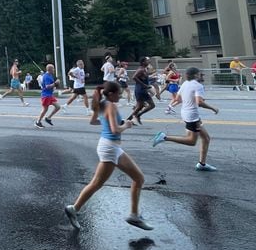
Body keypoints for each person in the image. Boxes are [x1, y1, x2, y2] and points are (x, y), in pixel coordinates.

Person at [64, 82, 153, 231]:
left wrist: (112, 122)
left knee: (136, 179)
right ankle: (74, 208)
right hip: (110, 148)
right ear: (111, 94)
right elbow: (115, 129)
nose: (121, 95)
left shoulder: (102, 103)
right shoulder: (111, 105)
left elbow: (93, 121)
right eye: (119, 93)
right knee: (98, 183)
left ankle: (134, 215)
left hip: (110, 147)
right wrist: (126, 125)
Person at [152, 67, 220, 171]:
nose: (202, 76)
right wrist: (213, 108)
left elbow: (178, 99)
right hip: (192, 116)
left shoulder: (185, 84)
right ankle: (164, 137)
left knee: (206, 138)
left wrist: (189, 97)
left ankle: (202, 164)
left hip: (186, 113)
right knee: (191, 141)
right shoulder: (198, 86)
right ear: (195, 75)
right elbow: (199, 102)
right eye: (200, 74)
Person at [127, 57, 155, 125]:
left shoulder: (144, 69)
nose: (148, 62)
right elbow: (134, 77)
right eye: (147, 61)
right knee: (152, 105)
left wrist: (151, 76)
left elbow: (144, 77)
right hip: (141, 90)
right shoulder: (140, 69)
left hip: (141, 90)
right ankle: (138, 115)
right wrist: (144, 85)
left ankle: (128, 120)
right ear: (143, 62)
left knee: (140, 106)